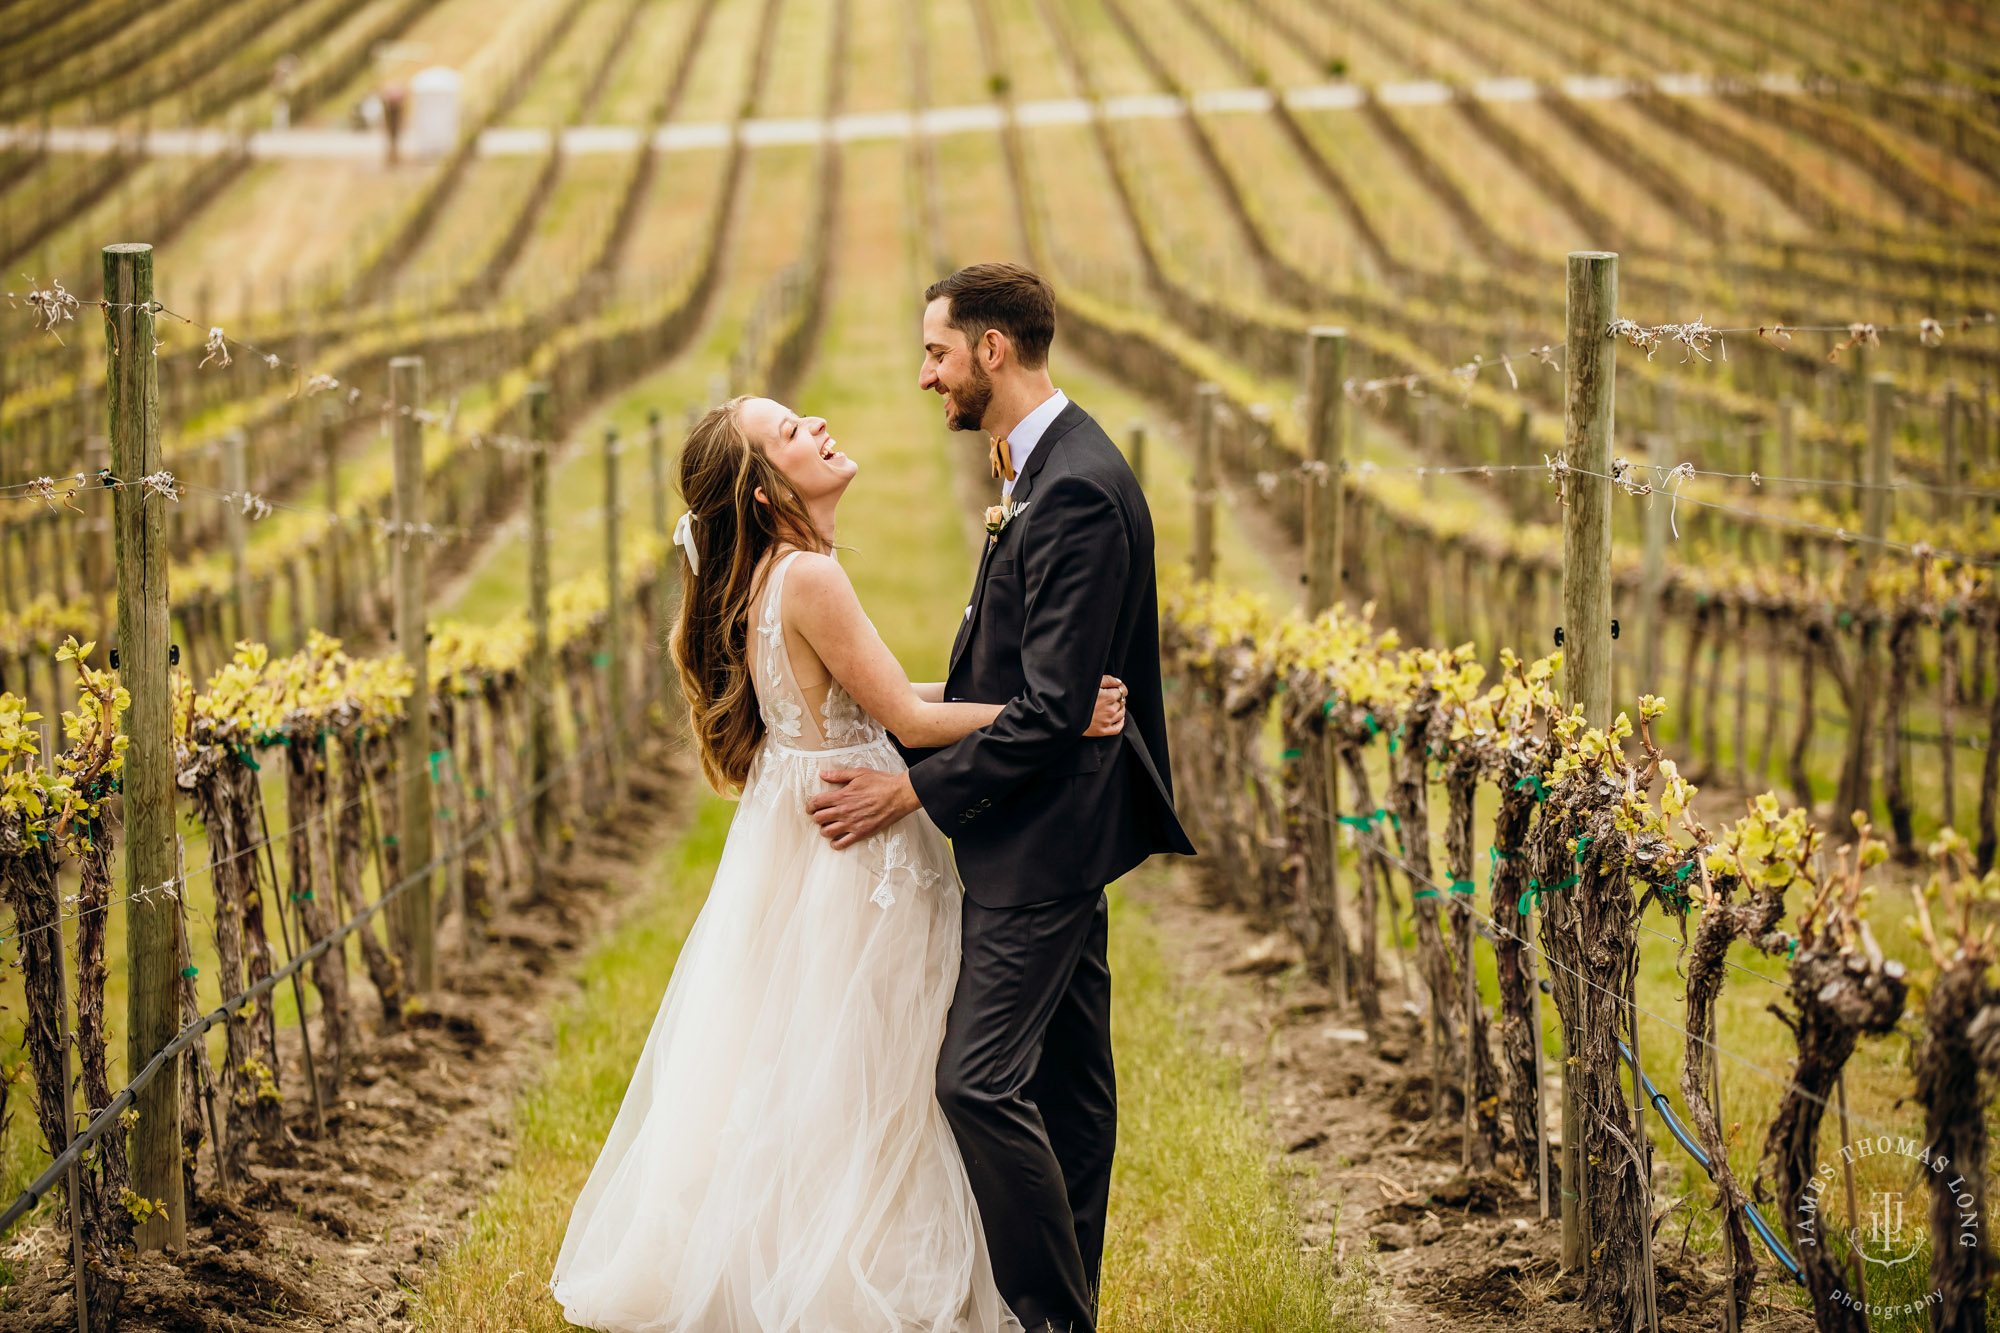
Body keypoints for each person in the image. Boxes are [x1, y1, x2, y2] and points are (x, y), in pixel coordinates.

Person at [547, 394, 1129, 1332]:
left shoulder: (774, 575)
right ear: (768, 491)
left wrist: (1016, 698)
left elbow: (889, 695)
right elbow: (908, 722)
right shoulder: (811, 578)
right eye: (789, 434)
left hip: (810, 828)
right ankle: (869, 1282)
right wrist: (1061, 714)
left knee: (815, 1064)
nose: (817, 428)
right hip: (860, 851)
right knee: (881, 1070)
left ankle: (800, 1256)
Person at [808, 262, 1194, 1333]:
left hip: (1045, 840)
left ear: (991, 349)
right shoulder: (1042, 467)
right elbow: (1031, 693)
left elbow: (1049, 709)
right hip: (1053, 831)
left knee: (975, 1082)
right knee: (1070, 1088)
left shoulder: (1071, 485)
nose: (924, 374)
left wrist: (910, 793)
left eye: (937, 351)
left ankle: (1050, 1317)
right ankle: (1067, 1312)